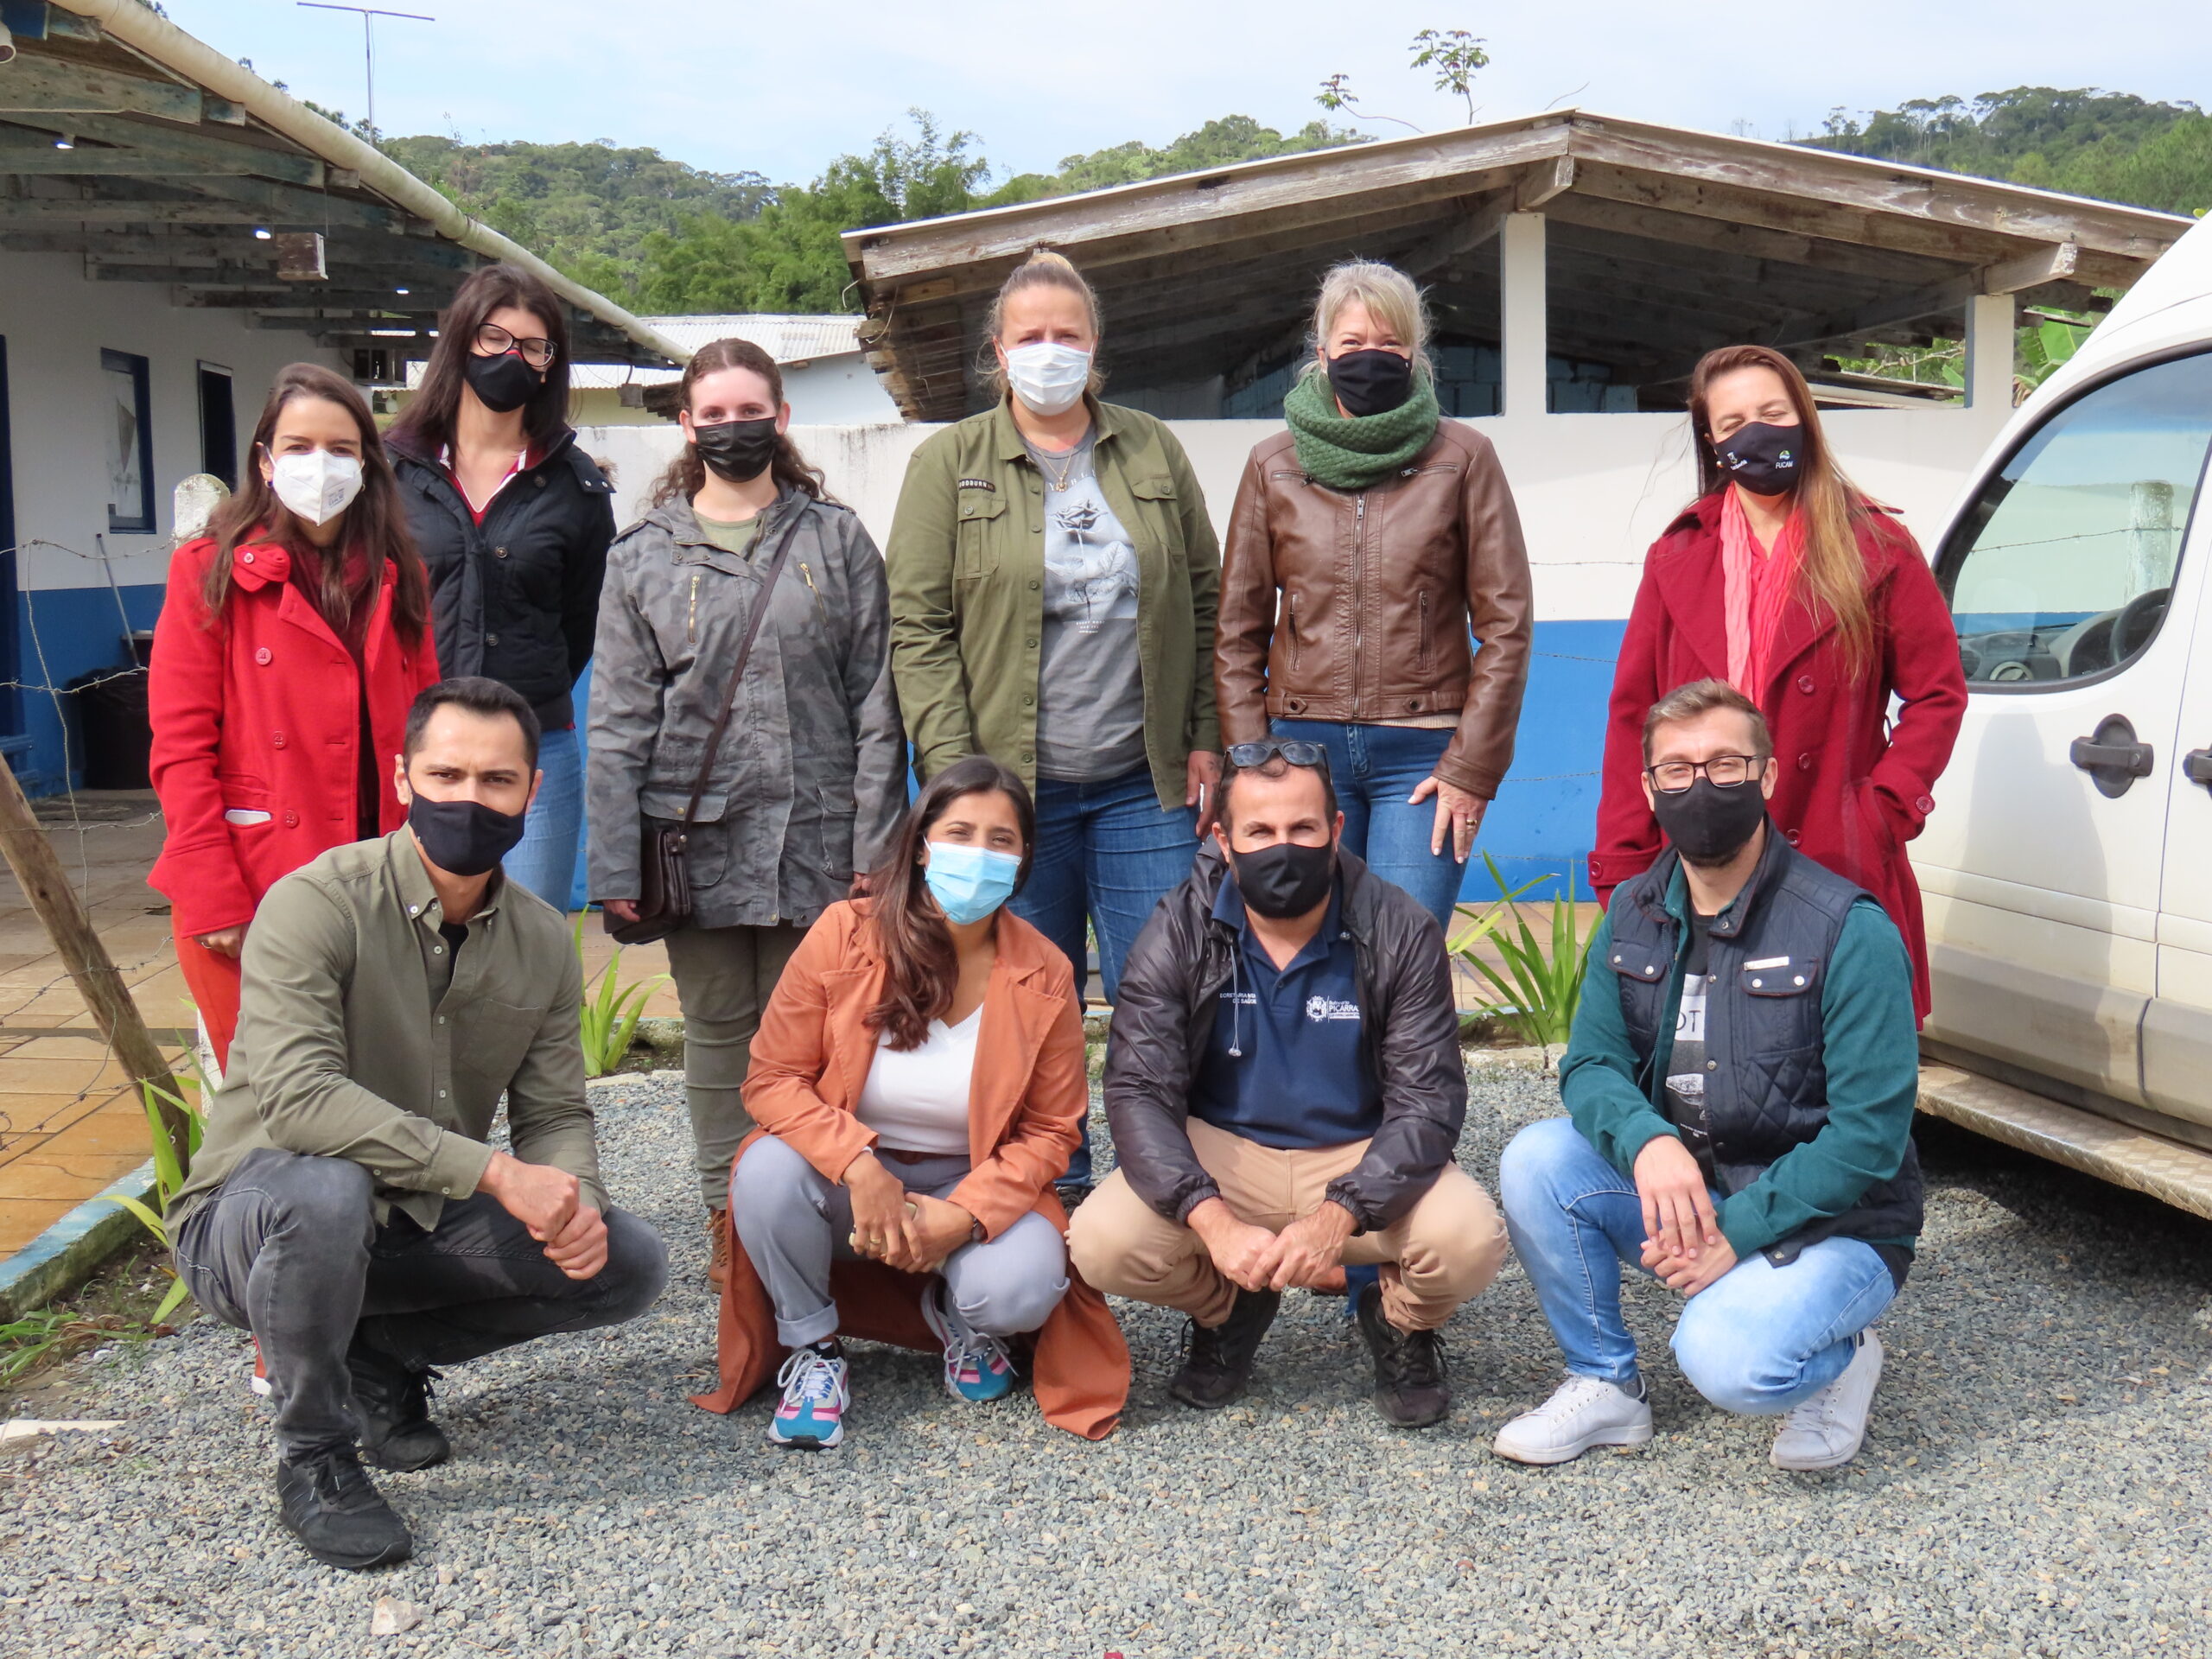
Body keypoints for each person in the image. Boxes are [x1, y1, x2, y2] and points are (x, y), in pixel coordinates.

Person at [168, 678, 669, 1570]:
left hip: (405, 1221)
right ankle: (314, 1456)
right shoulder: (316, 903)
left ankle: (373, 1358)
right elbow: (299, 1099)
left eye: (495, 780)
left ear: (532, 791)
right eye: (445, 775)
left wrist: (575, 1203)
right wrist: (496, 1174)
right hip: (251, 1223)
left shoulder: (544, 940)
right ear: (402, 779)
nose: (467, 799)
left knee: (625, 1264)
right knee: (327, 1187)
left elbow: (553, 1109)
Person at [1493, 681, 1920, 1471]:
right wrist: (1650, 1142)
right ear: (1649, 789)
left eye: (1726, 765)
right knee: (1537, 1160)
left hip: (1837, 1222)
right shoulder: (1633, 910)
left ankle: (1847, 1354)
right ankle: (1606, 1384)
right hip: (1699, 1185)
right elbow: (1591, 1064)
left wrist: (1733, 1234)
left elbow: (1869, 1138)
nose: (1701, 786)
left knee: (1731, 1365)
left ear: (1765, 779)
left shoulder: (1845, 929)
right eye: (1678, 770)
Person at [886, 250, 1222, 1199]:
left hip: (1141, 786)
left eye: (1065, 335)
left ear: (1094, 346)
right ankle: (1048, 1205)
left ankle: (1169, 1200)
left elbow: (1207, 594)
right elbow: (916, 623)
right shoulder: (946, 464)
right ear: (998, 352)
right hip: (1008, 799)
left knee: (1162, 998)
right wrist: (958, 779)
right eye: (1028, 337)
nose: (1048, 352)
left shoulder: (1150, 449)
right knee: (1024, 1011)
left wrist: (1207, 735)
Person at [1068, 740, 1506, 1427]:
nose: (1283, 847)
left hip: (1359, 1151)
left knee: (1469, 1240)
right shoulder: (1179, 926)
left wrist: (1339, 1218)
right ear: (1223, 838)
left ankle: (1398, 1320)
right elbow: (1138, 1091)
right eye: (1260, 832)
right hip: (1224, 1151)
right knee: (1101, 1241)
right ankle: (1230, 1309)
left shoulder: (1399, 927)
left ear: (1335, 829)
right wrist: (1211, 1222)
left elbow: (1429, 1102)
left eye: (1302, 829)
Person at [589, 338, 904, 1290]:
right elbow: (616, 722)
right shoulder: (644, 558)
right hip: (699, 846)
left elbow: (876, 701)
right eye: (713, 413)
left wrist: (878, 844)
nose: (733, 427)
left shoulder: (835, 540)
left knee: (826, 1040)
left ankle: (825, 1222)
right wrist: (614, 871)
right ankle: (735, 1232)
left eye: (748, 410)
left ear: (782, 418)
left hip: (819, 841)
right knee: (723, 1035)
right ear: (687, 426)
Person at [696, 757, 1128, 1446]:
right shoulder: (845, 932)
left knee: (1018, 1290)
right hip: (846, 1186)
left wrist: (964, 1214)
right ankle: (814, 1349)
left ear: (1023, 861)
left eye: (1001, 840)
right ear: (923, 843)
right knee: (767, 1173)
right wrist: (860, 1167)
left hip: (968, 1178)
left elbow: (1053, 1131)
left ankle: (954, 1313)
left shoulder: (1046, 969)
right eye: (960, 832)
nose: (978, 854)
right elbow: (771, 1078)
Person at [1590, 344, 1966, 1020]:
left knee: (1839, 1048)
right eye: (1732, 423)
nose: (1754, 434)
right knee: (1705, 1057)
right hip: (1700, 848)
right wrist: (1623, 859)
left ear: (1806, 419)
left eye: (1772, 412)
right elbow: (1632, 716)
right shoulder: (1677, 554)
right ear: (1711, 439)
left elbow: (1937, 693)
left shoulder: (1876, 545)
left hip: (1831, 842)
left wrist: (1881, 808)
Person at [1215, 257, 1533, 935]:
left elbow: (1507, 625)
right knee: (1308, 948)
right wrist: (1249, 760)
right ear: (1322, 350)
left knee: (1402, 950)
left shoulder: (1464, 457)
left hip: (1423, 757)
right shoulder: (1274, 464)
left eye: (1389, 344)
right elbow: (1237, 631)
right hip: (1299, 750)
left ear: (1415, 354)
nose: (1371, 358)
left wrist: (1473, 767)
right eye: (1353, 344)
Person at [149, 363, 441, 1071]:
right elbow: (180, 746)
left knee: (378, 1088)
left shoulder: (399, 573)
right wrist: (212, 891)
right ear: (265, 459)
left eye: (342, 449)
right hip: (254, 880)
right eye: (300, 446)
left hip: (378, 881)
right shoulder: (207, 571)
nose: (321, 465)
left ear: (367, 464)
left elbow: (427, 730)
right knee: (271, 1102)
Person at [385, 263, 617, 908]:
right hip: (415, 748)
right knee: (403, 943)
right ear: (461, 339)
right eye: (494, 338)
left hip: (534, 746)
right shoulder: (390, 474)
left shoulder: (576, 487)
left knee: (525, 948)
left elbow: (580, 623)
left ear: (550, 363)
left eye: (532, 346)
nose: (511, 357)